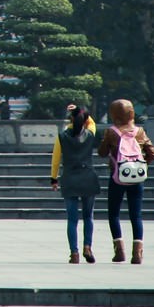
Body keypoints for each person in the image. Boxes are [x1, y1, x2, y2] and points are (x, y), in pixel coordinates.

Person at [96, 97, 154, 264]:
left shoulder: (111, 132)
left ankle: (119, 251)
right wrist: (141, 164)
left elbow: (101, 152)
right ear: (131, 113)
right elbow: (152, 153)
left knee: (114, 214)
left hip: (117, 176)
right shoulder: (140, 132)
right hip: (136, 177)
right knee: (136, 215)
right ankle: (137, 253)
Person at [50, 103, 100, 263]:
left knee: (72, 219)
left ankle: (74, 253)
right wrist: (78, 110)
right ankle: (87, 246)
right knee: (88, 216)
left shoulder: (62, 137)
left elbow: (56, 160)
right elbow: (91, 122)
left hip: (70, 178)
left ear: (70, 120)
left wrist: (53, 178)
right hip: (88, 178)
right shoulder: (90, 134)